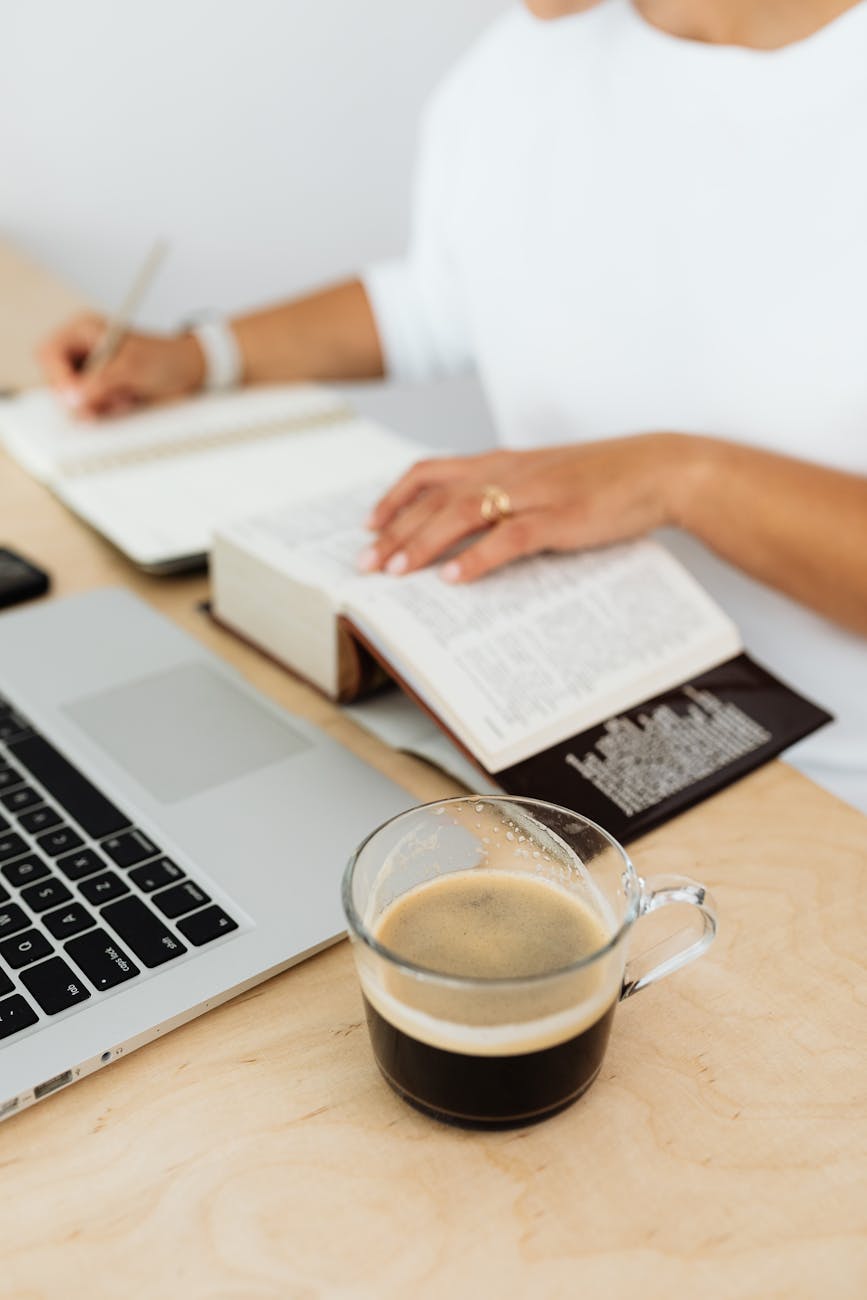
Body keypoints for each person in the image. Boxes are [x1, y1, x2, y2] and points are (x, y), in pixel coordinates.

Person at [38, 0, 867, 812]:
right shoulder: (522, 65)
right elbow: (450, 293)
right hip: (573, 714)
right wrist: (201, 356)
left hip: (825, 792)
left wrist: (679, 479)